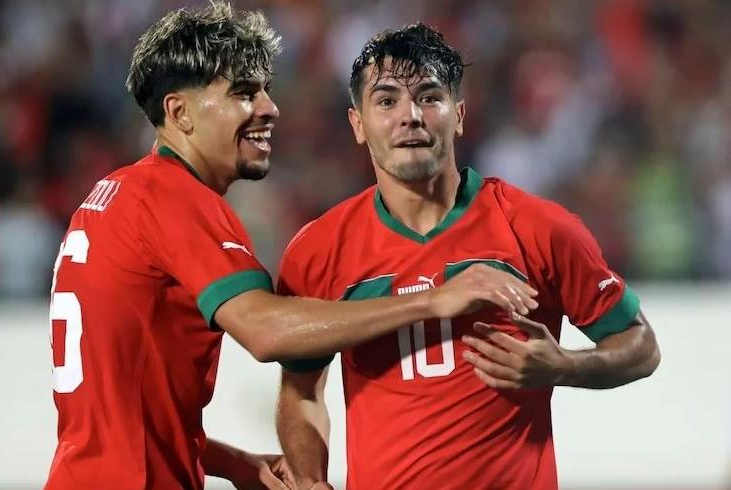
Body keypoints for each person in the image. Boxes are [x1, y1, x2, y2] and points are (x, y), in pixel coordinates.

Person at [44, 6, 538, 490]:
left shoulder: (113, 196)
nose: (268, 108)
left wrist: (233, 463)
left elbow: (117, 412)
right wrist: (431, 300)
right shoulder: (173, 198)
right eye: (243, 93)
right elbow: (267, 331)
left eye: (265, 90)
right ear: (179, 112)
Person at [276, 23, 661, 490]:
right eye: (387, 101)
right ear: (358, 124)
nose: (410, 116)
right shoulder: (319, 251)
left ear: (459, 115)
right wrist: (310, 479)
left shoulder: (539, 228)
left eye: (429, 97)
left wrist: (564, 365)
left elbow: (640, 345)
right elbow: (300, 390)